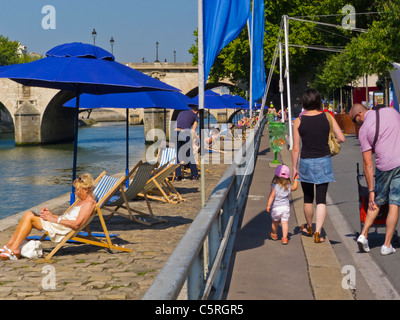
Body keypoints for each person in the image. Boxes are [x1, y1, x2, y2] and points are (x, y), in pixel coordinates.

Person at [0, 174, 96, 260]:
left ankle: (15, 248)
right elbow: (70, 218)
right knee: (29, 214)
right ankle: (10, 245)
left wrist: (54, 219)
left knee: (30, 217)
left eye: (77, 190)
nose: (75, 192)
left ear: (86, 190)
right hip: (61, 224)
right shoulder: (84, 201)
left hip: (63, 228)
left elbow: (76, 225)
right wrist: (51, 215)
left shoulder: (89, 204)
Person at [292, 89, 345, 243]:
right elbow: (341, 138)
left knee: (308, 197)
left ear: (304, 102)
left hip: (306, 161)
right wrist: (330, 143)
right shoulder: (327, 117)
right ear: (318, 101)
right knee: (321, 199)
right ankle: (318, 232)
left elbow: (296, 148)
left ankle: (309, 226)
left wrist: (294, 167)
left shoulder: (298, 121)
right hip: (324, 159)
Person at [350, 103, 400, 255]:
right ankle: (386, 245)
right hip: (399, 163)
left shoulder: (364, 130)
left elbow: (368, 164)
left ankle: (363, 234)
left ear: (359, 115)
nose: (355, 124)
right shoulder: (392, 112)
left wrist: (371, 190)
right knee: (394, 203)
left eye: (354, 121)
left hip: (383, 166)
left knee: (377, 201)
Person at [266, 165, 298, 245]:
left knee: (275, 222)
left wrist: (268, 205)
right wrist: (296, 179)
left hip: (276, 208)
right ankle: (284, 238)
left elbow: (272, 196)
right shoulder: (288, 186)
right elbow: (295, 188)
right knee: (284, 223)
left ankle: (274, 234)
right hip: (285, 207)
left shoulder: (274, 186)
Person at [174, 105, 199, 181]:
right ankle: (194, 175)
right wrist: (193, 141)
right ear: (197, 111)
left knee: (178, 154)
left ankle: (177, 176)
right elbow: (193, 131)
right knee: (189, 154)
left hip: (176, 132)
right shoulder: (195, 116)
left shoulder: (181, 112)